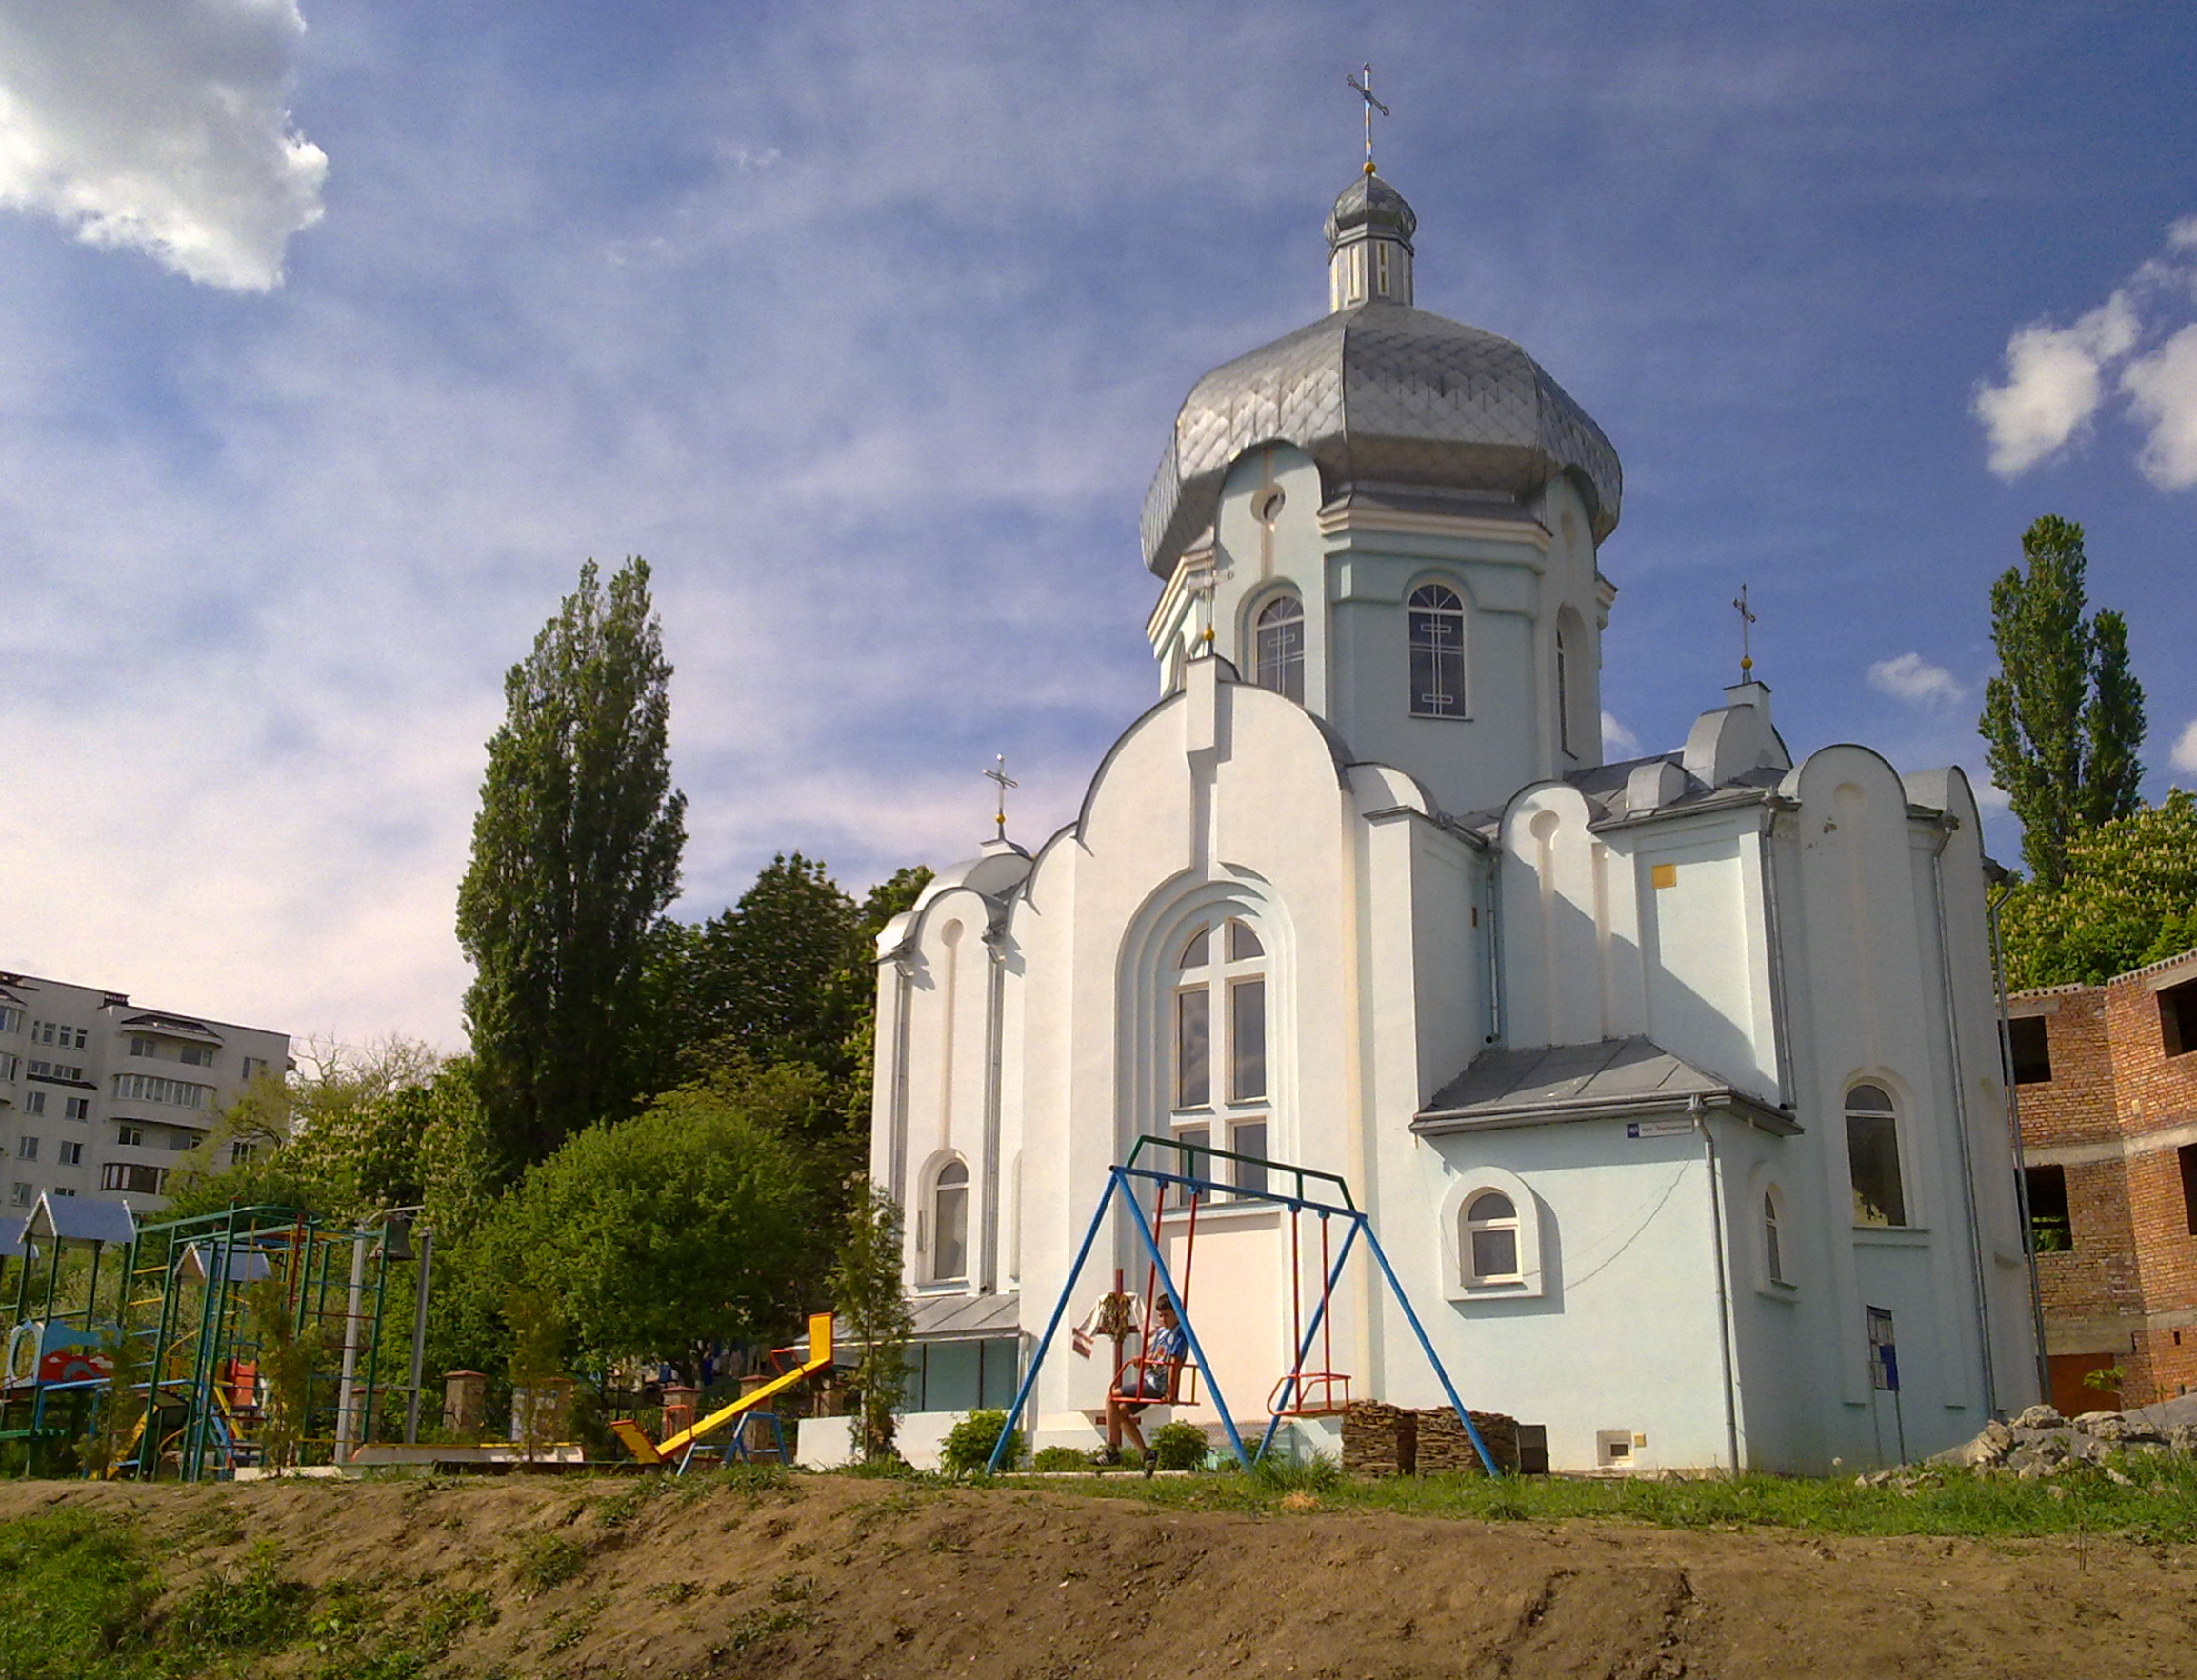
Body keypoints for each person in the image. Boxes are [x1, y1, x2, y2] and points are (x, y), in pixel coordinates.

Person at [1103, 1295, 1188, 1465]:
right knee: (1119, 1414)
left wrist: (1172, 1392)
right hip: (1151, 1380)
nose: (1163, 1319)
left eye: (1167, 1315)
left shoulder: (1180, 1334)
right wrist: (1142, 1362)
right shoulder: (1162, 1333)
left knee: (1111, 1397)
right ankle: (1145, 1453)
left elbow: (1175, 1364)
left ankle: (1111, 1449)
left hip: (1157, 1385)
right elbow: (1153, 1357)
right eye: (1160, 1316)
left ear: (1178, 1314)